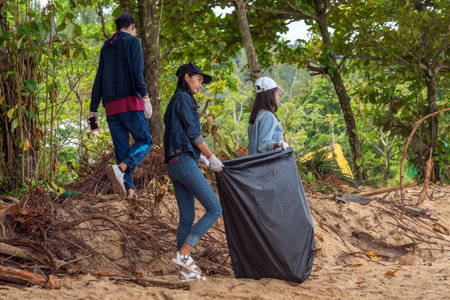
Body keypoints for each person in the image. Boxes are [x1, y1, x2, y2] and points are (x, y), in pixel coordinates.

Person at [164, 63, 223, 282]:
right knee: (215, 208)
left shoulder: (174, 102)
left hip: (175, 163)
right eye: (199, 80)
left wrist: (200, 158)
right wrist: (210, 156)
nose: (200, 86)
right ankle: (185, 253)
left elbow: (178, 135)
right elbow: (194, 133)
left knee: (187, 218)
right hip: (184, 162)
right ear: (187, 78)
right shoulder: (184, 99)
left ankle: (184, 272)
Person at [89, 13, 153, 199]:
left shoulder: (106, 47)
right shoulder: (133, 42)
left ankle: (130, 191)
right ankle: (122, 168)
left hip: (111, 108)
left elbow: (99, 78)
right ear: (132, 26)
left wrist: (93, 109)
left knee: (122, 150)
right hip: (130, 104)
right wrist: (145, 97)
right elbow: (136, 72)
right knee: (145, 141)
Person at [248, 76, 289, 155]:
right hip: (265, 165)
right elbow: (262, 146)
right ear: (271, 94)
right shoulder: (267, 116)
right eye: (277, 92)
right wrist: (279, 145)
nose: (278, 96)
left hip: (255, 165)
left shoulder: (257, 115)